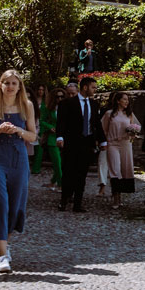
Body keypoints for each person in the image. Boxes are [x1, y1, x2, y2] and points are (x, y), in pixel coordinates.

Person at [0, 69, 37, 273]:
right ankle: (2, 256)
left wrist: (18, 130)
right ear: (0, 85)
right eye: (6, 83)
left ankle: (6, 243)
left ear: (19, 86)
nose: (10, 87)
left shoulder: (27, 106)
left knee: (15, 205)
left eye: (14, 83)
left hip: (18, 158)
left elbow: (32, 136)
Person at [56, 77, 105, 213]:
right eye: (93, 87)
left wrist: (103, 140)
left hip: (86, 142)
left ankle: (78, 203)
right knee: (68, 172)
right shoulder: (67, 103)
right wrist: (60, 137)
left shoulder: (94, 105)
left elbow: (97, 124)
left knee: (82, 174)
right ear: (85, 87)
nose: (95, 90)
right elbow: (61, 122)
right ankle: (64, 200)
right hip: (71, 143)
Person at [101, 91, 141, 208]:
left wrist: (133, 133)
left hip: (125, 143)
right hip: (113, 143)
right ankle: (115, 197)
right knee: (115, 169)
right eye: (124, 99)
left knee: (125, 168)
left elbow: (134, 128)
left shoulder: (129, 114)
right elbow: (104, 129)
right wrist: (103, 142)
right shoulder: (109, 114)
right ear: (118, 101)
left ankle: (121, 196)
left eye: (127, 100)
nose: (126, 102)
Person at [33, 84, 62, 186]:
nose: (60, 98)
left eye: (62, 96)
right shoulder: (48, 107)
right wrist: (50, 126)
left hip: (64, 137)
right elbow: (41, 120)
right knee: (57, 162)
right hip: (52, 138)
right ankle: (61, 184)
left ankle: (53, 182)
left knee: (62, 163)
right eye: (57, 97)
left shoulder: (66, 107)